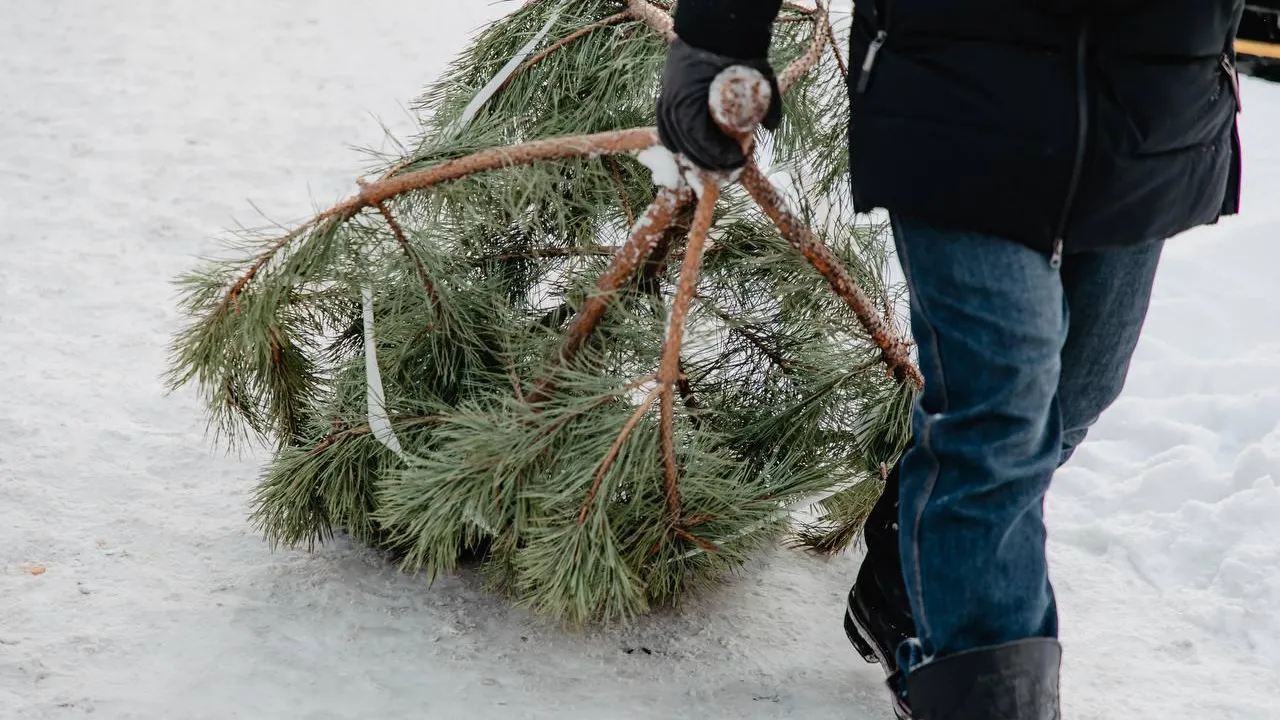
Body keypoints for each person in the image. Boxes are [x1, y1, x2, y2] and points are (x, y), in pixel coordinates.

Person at [657, 1, 1245, 718]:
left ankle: (908, 574)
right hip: (956, 84)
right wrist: (718, 40)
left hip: (1150, 109)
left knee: (1076, 396)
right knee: (999, 417)